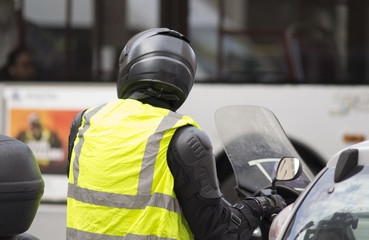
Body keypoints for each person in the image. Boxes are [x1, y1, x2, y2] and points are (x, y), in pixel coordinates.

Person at [66, 28, 286, 240]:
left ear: (127, 67)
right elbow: (218, 231)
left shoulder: (85, 122)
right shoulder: (183, 138)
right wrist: (262, 205)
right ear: (185, 78)